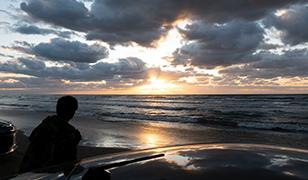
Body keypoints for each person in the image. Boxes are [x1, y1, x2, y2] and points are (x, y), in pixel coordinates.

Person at [19, 96, 81, 173]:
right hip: (44, 171)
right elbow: (70, 160)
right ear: (73, 111)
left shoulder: (47, 122)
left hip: (27, 167)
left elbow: (32, 138)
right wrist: (74, 141)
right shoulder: (69, 131)